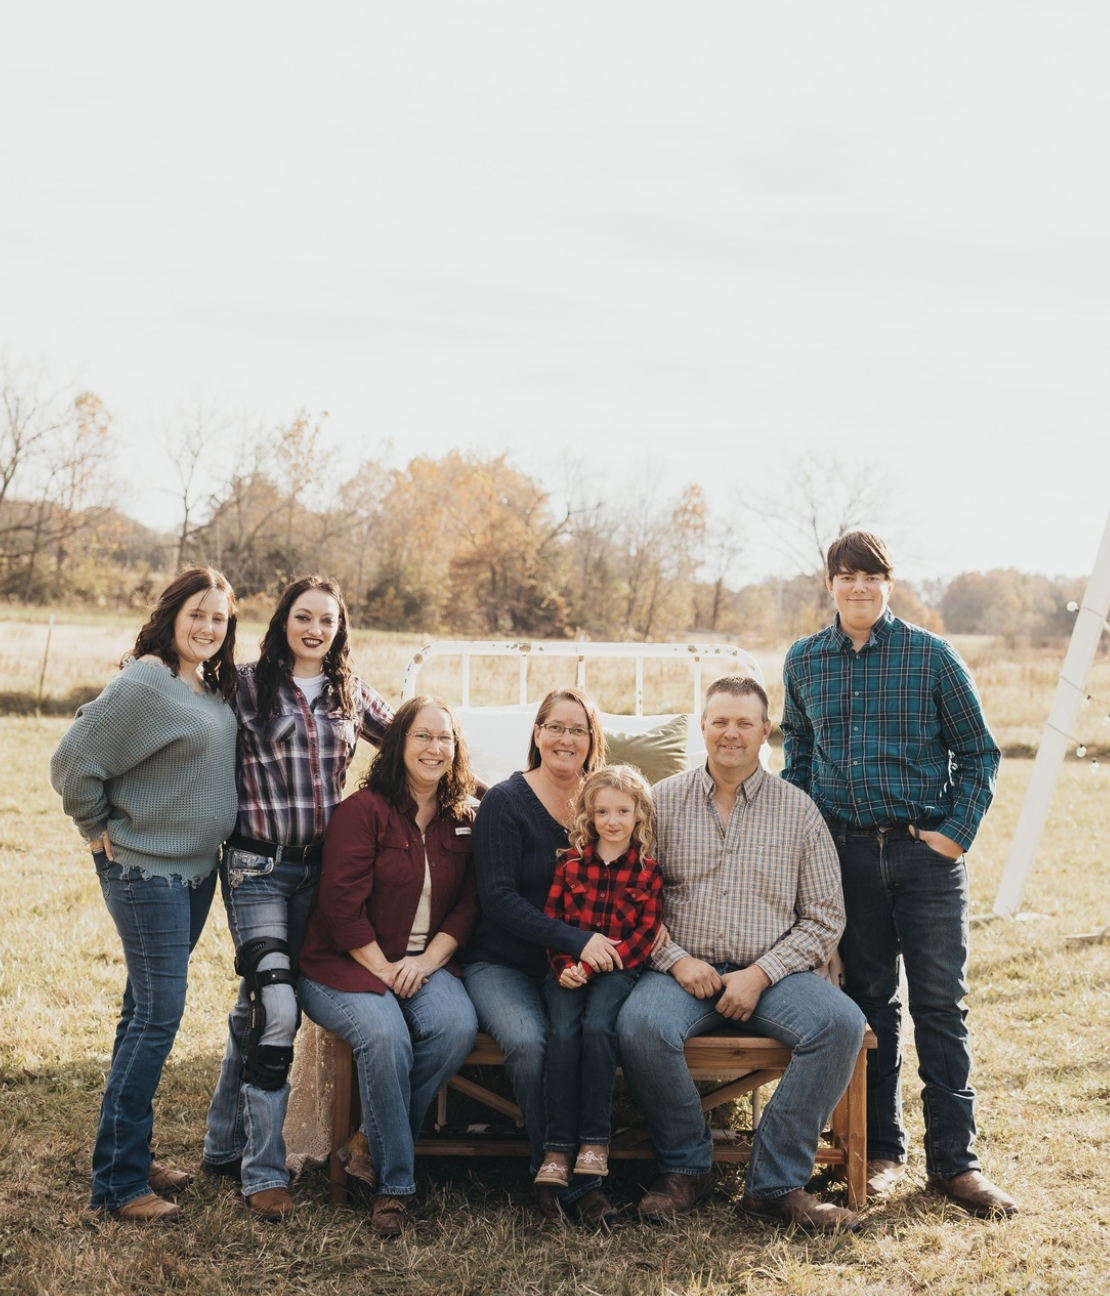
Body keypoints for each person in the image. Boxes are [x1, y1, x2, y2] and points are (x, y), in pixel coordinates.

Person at [781, 530, 1016, 1218]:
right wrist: (808, 841)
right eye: (846, 577)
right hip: (845, 855)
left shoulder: (931, 656)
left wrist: (954, 836)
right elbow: (798, 751)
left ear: (890, 583)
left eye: (871, 577)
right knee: (868, 1007)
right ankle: (880, 1151)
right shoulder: (805, 661)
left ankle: (957, 1164)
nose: (859, 588)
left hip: (924, 855)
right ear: (830, 585)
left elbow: (980, 752)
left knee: (941, 1006)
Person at [617, 675, 866, 1234]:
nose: (731, 733)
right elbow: (628, 902)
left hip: (773, 972)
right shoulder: (659, 804)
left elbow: (826, 916)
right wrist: (675, 960)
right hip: (682, 969)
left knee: (841, 1023)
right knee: (639, 1025)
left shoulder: (798, 811)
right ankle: (686, 1166)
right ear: (702, 726)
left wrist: (761, 973)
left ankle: (774, 1185)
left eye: (744, 723)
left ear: (764, 732)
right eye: (720, 721)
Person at [50, 567, 240, 1223]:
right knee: (159, 1017)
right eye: (198, 613)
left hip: (194, 873)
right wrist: (95, 827)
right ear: (173, 613)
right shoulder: (145, 680)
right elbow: (73, 758)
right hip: (145, 871)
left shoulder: (205, 684)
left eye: (219, 617)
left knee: (142, 1015)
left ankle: (126, 1152)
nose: (208, 626)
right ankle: (120, 1186)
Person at [202, 575, 393, 1222]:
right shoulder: (244, 685)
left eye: (327, 620)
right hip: (256, 869)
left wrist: (492, 795)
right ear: (284, 620)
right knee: (279, 1008)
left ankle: (223, 1145)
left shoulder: (350, 692)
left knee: (254, 1006)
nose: (315, 629)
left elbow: (419, 743)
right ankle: (261, 1171)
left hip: (320, 876)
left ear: (340, 629)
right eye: (303, 616)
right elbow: (185, 744)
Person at [296, 695, 479, 1236]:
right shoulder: (364, 810)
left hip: (425, 963)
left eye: (445, 737)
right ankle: (394, 1187)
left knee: (456, 1027)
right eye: (422, 736)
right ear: (398, 743)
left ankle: (366, 1143)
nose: (434, 747)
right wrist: (387, 970)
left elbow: (471, 904)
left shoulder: (467, 815)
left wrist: (425, 963)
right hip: (345, 964)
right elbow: (340, 907)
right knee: (386, 1038)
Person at [460, 688, 623, 1227]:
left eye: (578, 730)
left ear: (592, 741)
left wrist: (586, 951)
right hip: (502, 961)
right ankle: (550, 1176)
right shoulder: (507, 803)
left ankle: (586, 1172)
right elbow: (498, 898)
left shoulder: (604, 804)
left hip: (575, 968)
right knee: (530, 1043)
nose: (565, 739)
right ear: (536, 733)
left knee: (579, 1036)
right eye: (555, 727)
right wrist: (574, 939)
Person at [534, 764, 663, 1189]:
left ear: (639, 816)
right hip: (567, 968)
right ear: (588, 816)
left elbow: (645, 937)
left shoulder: (648, 871)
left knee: (597, 1027)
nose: (613, 821)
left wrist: (596, 964)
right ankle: (557, 1148)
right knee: (564, 1031)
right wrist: (564, 967)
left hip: (618, 971)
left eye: (623, 812)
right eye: (603, 812)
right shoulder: (570, 865)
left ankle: (594, 1141)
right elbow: (552, 921)